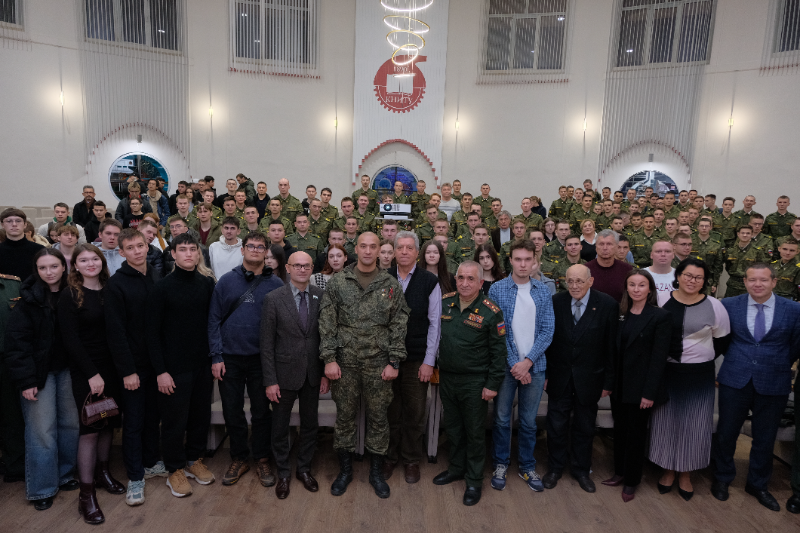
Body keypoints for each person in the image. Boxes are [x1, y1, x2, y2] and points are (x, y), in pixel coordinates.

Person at [319, 232, 409, 499]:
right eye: (363, 246)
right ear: (355, 249)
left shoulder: (390, 284)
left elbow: (398, 323)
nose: (368, 251)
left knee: (379, 418)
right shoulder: (339, 282)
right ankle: (345, 471)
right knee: (345, 417)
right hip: (344, 362)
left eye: (373, 246)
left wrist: (394, 360)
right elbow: (327, 321)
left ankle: (376, 472)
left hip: (378, 363)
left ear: (380, 251)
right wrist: (329, 359)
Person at [712, 263, 800, 512]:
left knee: (765, 437)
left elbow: (795, 345)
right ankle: (722, 478)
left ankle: (758, 484)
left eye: (763, 280)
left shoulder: (793, 309)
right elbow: (723, 340)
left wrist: (774, 362)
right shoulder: (729, 305)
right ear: (745, 282)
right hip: (735, 378)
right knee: (727, 433)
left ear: (774, 282)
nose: (757, 284)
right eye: (752, 280)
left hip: (774, 380)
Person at [4, 249, 79, 511]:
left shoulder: (73, 294)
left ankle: (65, 474)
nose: (49, 272)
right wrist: (26, 381)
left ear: (63, 267)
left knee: (70, 426)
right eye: (43, 267)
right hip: (38, 374)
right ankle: (42, 488)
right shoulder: (28, 300)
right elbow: (17, 344)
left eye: (54, 266)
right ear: (36, 270)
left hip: (68, 371)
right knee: (41, 431)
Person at [649, 258, 730, 502]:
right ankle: (667, 470)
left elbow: (722, 341)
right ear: (678, 276)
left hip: (699, 375)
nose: (692, 280)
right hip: (667, 372)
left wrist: (698, 356)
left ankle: (686, 474)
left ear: (704, 281)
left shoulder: (715, 306)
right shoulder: (661, 300)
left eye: (698, 277)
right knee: (665, 422)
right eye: (688, 275)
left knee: (695, 425)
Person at [209, 232, 283, 488]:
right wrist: (216, 356)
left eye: (260, 247)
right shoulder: (226, 281)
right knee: (232, 411)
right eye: (250, 246)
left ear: (266, 252)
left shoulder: (276, 284)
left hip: (262, 359)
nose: (255, 250)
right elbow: (214, 320)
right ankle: (239, 457)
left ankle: (262, 458)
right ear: (242, 250)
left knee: (262, 412)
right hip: (229, 358)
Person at [58, 244, 124, 524]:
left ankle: (103, 472)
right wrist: (92, 374)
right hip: (87, 369)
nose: (90, 264)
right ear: (75, 265)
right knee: (90, 428)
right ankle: (86, 495)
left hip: (113, 367)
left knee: (107, 421)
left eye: (94, 259)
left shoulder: (110, 290)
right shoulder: (70, 295)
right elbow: (70, 339)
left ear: (102, 262)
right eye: (83, 260)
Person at [147, 233, 217, 498]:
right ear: (173, 254)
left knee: (200, 416)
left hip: (201, 364)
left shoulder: (206, 284)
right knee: (175, 421)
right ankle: (174, 468)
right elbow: (151, 334)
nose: (188, 254)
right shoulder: (161, 288)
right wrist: (161, 371)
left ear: (198, 254)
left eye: (192, 249)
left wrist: (213, 359)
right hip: (173, 368)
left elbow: (212, 324)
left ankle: (193, 460)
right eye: (183, 250)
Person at [434, 261, 507, 506]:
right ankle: (456, 468)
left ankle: (474, 480)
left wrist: (492, 384)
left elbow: (499, 352)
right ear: (455, 279)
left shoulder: (491, 311)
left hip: (475, 382)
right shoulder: (445, 302)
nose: (465, 283)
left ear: (481, 282)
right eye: (461, 278)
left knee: (474, 432)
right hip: (447, 378)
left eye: (470, 279)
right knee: (453, 428)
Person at [486, 240, 554, 493]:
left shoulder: (543, 291)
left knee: (528, 422)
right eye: (518, 259)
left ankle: (527, 465)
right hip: (506, 366)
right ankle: (500, 464)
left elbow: (547, 331)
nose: (523, 264)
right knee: (502, 418)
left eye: (527, 259)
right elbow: (498, 330)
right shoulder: (497, 289)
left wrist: (527, 362)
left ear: (534, 261)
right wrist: (516, 363)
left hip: (535, 366)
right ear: (511, 261)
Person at [104, 229, 166, 506]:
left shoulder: (156, 275)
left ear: (147, 246)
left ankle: (151, 462)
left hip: (156, 363)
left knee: (153, 416)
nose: (137, 251)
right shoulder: (116, 284)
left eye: (140, 246)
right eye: (130, 248)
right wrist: (128, 371)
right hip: (133, 367)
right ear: (122, 252)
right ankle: (135, 476)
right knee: (134, 421)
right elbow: (115, 332)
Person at [543, 264, 617, 493]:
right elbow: (548, 341)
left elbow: (611, 347)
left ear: (590, 281)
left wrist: (608, 382)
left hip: (590, 378)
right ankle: (555, 468)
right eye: (570, 281)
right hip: (559, 376)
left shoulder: (607, 304)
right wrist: (546, 374)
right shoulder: (556, 302)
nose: (574, 286)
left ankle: (581, 470)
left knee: (585, 427)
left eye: (579, 281)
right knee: (556, 426)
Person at [261, 250, 327, 499]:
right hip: (283, 375)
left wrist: (324, 373)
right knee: (279, 427)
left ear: (312, 269)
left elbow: (325, 337)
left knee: (310, 425)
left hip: (312, 373)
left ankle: (304, 469)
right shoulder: (273, 298)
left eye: (306, 265)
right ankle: (284, 473)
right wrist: (270, 380)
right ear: (287, 268)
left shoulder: (321, 295)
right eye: (297, 265)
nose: (302, 269)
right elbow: (266, 343)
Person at [603, 269, 672, 503]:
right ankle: (619, 472)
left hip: (642, 389)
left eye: (641, 285)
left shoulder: (660, 316)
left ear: (650, 289)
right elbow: (612, 352)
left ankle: (631, 481)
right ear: (626, 288)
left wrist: (649, 393)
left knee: (636, 436)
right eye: (632, 285)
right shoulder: (620, 313)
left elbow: (658, 359)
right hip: (620, 386)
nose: (636, 289)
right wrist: (609, 384)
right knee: (620, 432)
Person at [384, 232, 441, 484]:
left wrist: (429, 361)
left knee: (415, 412)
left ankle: (410, 459)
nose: (405, 251)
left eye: (410, 248)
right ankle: (389, 457)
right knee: (390, 410)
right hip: (386, 358)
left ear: (418, 253)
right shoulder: (383, 278)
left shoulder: (429, 281)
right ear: (394, 252)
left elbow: (435, 324)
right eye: (400, 247)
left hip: (418, 359)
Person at [586, 230, 633, 303]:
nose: (605, 248)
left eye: (609, 244)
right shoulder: (585, 269)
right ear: (596, 247)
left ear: (616, 247)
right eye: (601, 244)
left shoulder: (627, 269)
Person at [0, 208, 46, 281]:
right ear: (2, 225)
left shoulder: (39, 250)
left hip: (32, 288)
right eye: (9, 221)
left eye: (18, 221)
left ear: (25, 225)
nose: (14, 224)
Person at [643, 240, 676, 306]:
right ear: (651, 255)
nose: (663, 254)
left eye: (667, 251)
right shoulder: (641, 275)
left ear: (673, 255)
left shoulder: (680, 275)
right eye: (658, 251)